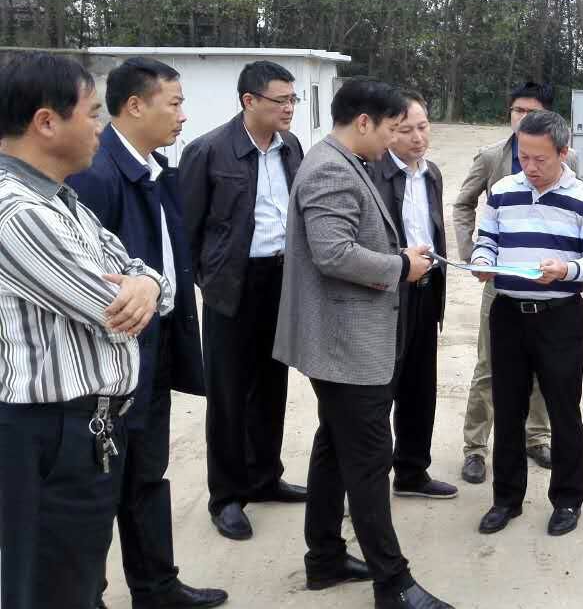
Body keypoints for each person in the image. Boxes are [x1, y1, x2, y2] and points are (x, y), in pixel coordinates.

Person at [0, 51, 173, 608]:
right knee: (51, 587)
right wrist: (141, 287)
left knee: (73, 578)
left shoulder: (64, 201)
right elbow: (113, 312)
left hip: (84, 431)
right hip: (48, 435)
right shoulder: (18, 211)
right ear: (46, 122)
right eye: (93, 113)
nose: (100, 127)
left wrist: (145, 283)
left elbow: (154, 282)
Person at [273, 78, 452, 609]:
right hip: (346, 344)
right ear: (364, 122)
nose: (396, 139)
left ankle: (325, 557)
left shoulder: (345, 161)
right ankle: (393, 584)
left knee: (334, 446)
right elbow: (333, 253)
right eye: (393, 129)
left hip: (346, 342)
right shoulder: (331, 168)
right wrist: (400, 266)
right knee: (371, 462)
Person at [68, 58, 228, 608]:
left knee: (147, 475)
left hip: (152, 348)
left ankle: (157, 587)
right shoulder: (97, 175)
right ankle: (88, 595)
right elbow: (87, 281)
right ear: (135, 106)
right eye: (175, 103)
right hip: (112, 360)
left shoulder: (156, 168)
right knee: (101, 486)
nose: (183, 116)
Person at [179, 61, 308, 541]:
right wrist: (209, 279)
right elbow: (188, 230)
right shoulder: (208, 151)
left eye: (293, 99)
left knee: (272, 384)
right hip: (232, 285)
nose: (289, 108)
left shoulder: (291, 147)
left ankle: (265, 476)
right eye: (281, 100)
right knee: (229, 393)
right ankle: (227, 496)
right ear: (249, 101)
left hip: (281, 278)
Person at [470, 109, 583, 538]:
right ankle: (506, 499)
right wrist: (481, 261)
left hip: (559, 318)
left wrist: (567, 270)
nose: (529, 167)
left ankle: (567, 499)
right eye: (524, 157)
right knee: (508, 408)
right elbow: (487, 240)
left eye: (540, 159)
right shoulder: (502, 192)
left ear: (563, 153)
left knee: (563, 410)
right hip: (508, 315)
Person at [452, 81, 577, 483]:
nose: (522, 118)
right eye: (517, 110)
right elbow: (464, 203)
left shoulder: (564, 158)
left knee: (542, 368)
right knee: (489, 366)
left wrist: (569, 266)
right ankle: (475, 447)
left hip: (548, 284)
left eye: (531, 112)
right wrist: (473, 253)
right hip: (501, 285)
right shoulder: (492, 157)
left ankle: (536, 437)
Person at [370, 89, 456, 500]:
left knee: (421, 387)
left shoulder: (431, 173)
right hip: (389, 293)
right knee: (380, 390)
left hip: (427, 290)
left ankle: (411, 471)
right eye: (406, 130)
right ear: (388, 130)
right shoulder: (373, 173)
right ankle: (366, 482)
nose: (417, 137)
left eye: (423, 127)